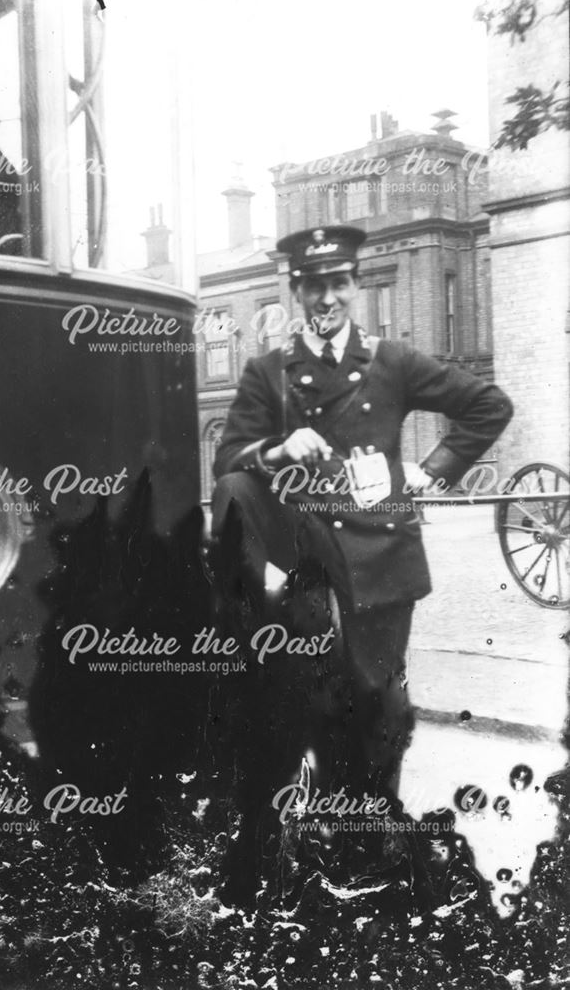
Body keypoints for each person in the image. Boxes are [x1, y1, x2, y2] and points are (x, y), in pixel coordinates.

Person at [211, 225, 514, 807]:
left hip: (380, 547)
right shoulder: (267, 372)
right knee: (312, 690)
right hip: (304, 555)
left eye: (340, 284)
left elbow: (488, 406)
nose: (328, 299)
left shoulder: (392, 361)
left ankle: (370, 826)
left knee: (377, 694)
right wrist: (277, 450)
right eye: (315, 286)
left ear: (354, 286)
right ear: (297, 293)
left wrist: (432, 472)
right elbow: (229, 463)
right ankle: (317, 815)